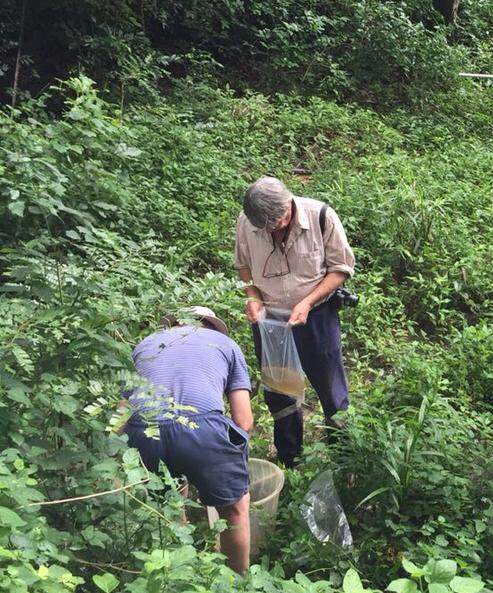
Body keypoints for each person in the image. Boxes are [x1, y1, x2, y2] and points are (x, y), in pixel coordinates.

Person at [234, 176, 356, 467]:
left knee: (331, 387)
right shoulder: (247, 222)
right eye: (265, 228)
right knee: (280, 391)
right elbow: (244, 269)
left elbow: (340, 269)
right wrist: (253, 297)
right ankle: (290, 459)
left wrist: (307, 302)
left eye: (277, 223)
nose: (272, 231)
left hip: (317, 317)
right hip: (271, 320)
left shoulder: (321, 216)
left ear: (288, 205)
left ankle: (345, 457)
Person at [124, 306, 254, 574]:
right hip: (201, 426)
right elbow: (244, 420)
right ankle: (237, 583)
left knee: (167, 509)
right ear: (213, 327)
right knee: (234, 512)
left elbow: (122, 410)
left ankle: (180, 577)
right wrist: (230, 459)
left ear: (170, 326)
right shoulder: (226, 344)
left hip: (143, 429)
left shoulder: (145, 345)